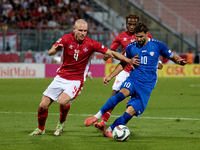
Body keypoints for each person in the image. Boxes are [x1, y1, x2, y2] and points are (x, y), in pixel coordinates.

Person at [29, 19, 135, 136]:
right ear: (74, 30)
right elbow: (50, 52)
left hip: (76, 80)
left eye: (85, 31)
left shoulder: (91, 43)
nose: (83, 33)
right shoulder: (66, 38)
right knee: (43, 105)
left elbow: (112, 53)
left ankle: (61, 123)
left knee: (62, 101)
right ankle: (40, 128)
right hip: (60, 76)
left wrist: (128, 60)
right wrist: (55, 50)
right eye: (80, 30)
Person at [84, 22, 187, 138]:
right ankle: (96, 116)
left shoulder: (158, 45)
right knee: (120, 95)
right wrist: (110, 76)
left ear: (147, 34)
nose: (139, 39)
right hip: (133, 79)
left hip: (146, 86)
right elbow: (123, 63)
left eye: (141, 36)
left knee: (129, 114)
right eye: (137, 36)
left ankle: (109, 130)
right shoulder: (131, 47)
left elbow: (172, 56)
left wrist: (179, 61)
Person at [93, 14, 163, 131]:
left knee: (133, 97)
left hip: (139, 73)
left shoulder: (146, 36)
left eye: (134, 25)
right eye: (129, 24)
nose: (131, 27)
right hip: (125, 70)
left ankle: (129, 105)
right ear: (126, 24)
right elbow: (112, 50)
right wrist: (107, 54)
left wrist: (158, 61)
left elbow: (154, 49)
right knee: (115, 94)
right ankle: (103, 122)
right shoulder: (121, 37)